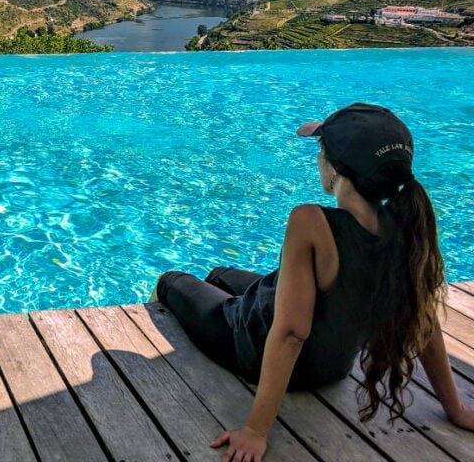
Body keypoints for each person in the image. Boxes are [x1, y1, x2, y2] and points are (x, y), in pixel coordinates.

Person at [151, 102, 474, 461]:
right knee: (220, 275)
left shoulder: (311, 221)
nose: (318, 159)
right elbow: (423, 320)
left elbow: (291, 333)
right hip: (333, 366)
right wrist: (455, 409)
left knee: (172, 280)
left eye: (321, 151)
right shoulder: (407, 227)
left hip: (252, 346)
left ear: (336, 168)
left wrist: (256, 430)